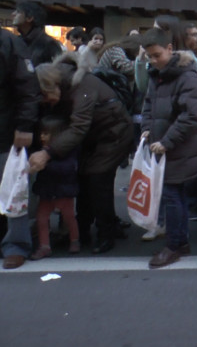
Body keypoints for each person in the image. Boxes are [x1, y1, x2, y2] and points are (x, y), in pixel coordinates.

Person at [31, 52, 134, 254]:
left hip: (114, 134)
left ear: (52, 85)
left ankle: (106, 233)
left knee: (97, 180)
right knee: (85, 180)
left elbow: (79, 127)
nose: (46, 102)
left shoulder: (82, 85)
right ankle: (84, 231)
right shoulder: (66, 84)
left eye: (46, 96)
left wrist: (48, 152)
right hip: (99, 134)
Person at [140, 27, 197, 268]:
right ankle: (180, 242)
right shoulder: (157, 75)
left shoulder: (185, 75)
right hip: (165, 147)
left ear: (169, 49)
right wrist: (146, 128)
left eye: (157, 55)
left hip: (178, 148)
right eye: (149, 56)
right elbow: (148, 105)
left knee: (171, 197)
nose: (153, 61)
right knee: (173, 196)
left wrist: (166, 141)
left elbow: (194, 115)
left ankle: (174, 245)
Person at [0, 29, 41, 270]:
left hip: (6, 131)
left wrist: (24, 126)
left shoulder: (8, 42)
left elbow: (28, 87)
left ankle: (16, 244)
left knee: (15, 190)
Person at [30, 116, 80, 260]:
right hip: (47, 191)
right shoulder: (41, 151)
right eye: (41, 133)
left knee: (69, 217)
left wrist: (46, 164)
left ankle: (74, 239)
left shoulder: (65, 151)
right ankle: (45, 245)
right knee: (41, 218)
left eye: (46, 133)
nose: (42, 137)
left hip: (64, 191)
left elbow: (68, 168)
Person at [12, 1, 62, 65]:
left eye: (18, 12)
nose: (13, 14)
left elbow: (57, 70)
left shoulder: (48, 43)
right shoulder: (17, 40)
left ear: (29, 18)